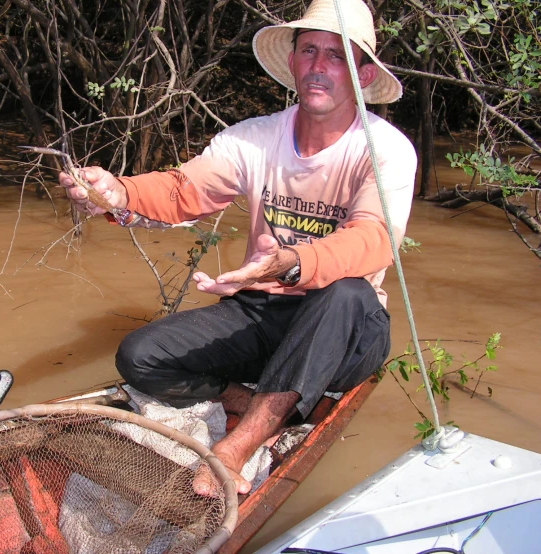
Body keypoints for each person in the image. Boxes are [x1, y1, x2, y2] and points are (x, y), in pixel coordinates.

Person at [59, 0, 416, 495]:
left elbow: (374, 240)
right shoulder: (255, 139)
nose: (319, 66)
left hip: (348, 329)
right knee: (140, 356)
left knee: (346, 292)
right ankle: (248, 399)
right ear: (292, 62)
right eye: (309, 50)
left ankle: (237, 447)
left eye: (337, 56)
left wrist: (291, 263)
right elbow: (184, 190)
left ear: (363, 73)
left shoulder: (385, 149)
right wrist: (118, 193)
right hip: (264, 309)